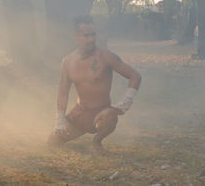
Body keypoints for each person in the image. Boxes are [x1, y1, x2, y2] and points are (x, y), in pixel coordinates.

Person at [47, 15, 141, 154]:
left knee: (109, 117)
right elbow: (63, 91)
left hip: (102, 113)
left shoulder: (105, 56)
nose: (91, 39)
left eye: (93, 35)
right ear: (76, 36)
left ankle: (97, 142)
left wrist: (123, 105)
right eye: (86, 35)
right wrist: (60, 119)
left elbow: (135, 76)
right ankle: (73, 131)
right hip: (80, 113)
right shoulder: (68, 61)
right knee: (52, 142)